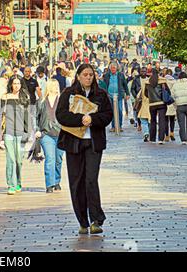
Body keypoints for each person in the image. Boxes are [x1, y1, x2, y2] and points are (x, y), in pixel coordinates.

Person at [56, 63, 113, 235]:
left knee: (91, 180)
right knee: (76, 182)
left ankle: (96, 219)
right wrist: (81, 119)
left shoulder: (101, 94)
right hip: (74, 144)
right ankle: (82, 221)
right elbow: (61, 115)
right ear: (78, 76)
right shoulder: (68, 93)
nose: (88, 77)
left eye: (91, 75)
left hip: (94, 143)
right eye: (85, 74)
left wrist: (93, 119)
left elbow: (107, 115)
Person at [0, 75, 30, 195]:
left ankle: (18, 181)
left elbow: (27, 116)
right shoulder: (5, 98)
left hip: (21, 132)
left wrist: (27, 132)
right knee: (10, 159)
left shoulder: (25, 97)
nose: (16, 85)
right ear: (11, 84)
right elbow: (0, 115)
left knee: (19, 160)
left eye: (18, 83)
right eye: (14, 83)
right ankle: (10, 184)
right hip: (8, 132)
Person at [35, 79, 64, 193]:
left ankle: (57, 180)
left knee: (58, 159)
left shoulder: (62, 101)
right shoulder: (41, 101)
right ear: (49, 86)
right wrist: (37, 130)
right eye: (54, 85)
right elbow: (35, 117)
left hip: (61, 134)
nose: (56, 87)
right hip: (46, 134)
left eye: (57, 85)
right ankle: (49, 184)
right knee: (50, 158)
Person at [170, 72, 187, 145]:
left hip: (180, 106)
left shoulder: (175, 85)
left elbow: (172, 96)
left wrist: (175, 104)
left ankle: (183, 139)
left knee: (181, 123)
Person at [103, 62, 129, 132]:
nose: (113, 69)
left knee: (120, 110)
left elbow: (125, 85)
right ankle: (113, 126)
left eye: (114, 68)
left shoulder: (121, 75)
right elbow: (104, 85)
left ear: (116, 68)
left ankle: (119, 126)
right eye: (111, 68)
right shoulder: (106, 75)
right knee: (112, 111)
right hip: (110, 95)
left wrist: (127, 94)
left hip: (119, 95)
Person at [146, 68, 168, 144]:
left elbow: (146, 94)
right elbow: (168, 92)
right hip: (161, 103)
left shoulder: (147, 82)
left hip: (152, 104)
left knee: (153, 121)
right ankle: (161, 139)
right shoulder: (162, 81)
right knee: (162, 121)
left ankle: (152, 139)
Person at [23, 67, 41, 140]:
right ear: (24, 72)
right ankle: (25, 135)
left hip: (32, 103)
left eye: (28, 71)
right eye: (25, 71)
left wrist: (41, 99)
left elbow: (38, 91)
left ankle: (32, 135)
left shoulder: (34, 81)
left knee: (33, 119)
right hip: (23, 103)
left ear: (30, 72)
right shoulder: (21, 81)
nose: (27, 72)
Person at [163, 68, 176, 142]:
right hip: (172, 102)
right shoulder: (175, 81)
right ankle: (172, 132)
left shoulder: (164, 81)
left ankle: (167, 135)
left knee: (165, 120)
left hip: (165, 101)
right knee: (172, 119)